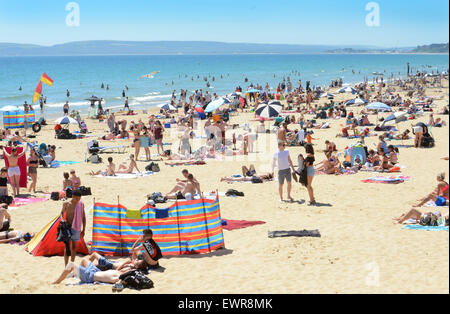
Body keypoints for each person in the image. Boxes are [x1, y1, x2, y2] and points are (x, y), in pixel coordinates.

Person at [60, 190, 86, 266]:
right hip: (67, 227)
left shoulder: (81, 204)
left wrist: (84, 229)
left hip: (76, 228)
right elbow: (61, 213)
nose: (78, 200)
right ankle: (66, 265)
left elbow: (83, 217)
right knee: (67, 247)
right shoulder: (66, 204)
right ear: (73, 197)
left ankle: (71, 265)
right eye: (77, 198)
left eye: (79, 199)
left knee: (74, 247)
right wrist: (62, 220)